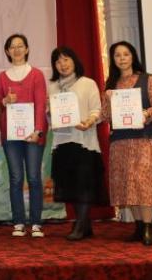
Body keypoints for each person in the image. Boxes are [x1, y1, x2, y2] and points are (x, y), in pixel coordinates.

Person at [101, 41, 152, 246]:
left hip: (143, 139)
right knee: (128, 184)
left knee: (143, 182)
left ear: (133, 56)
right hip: (120, 141)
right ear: (113, 60)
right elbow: (105, 115)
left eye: (126, 54)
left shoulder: (148, 80)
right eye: (117, 55)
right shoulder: (111, 84)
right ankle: (138, 227)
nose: (122, 58)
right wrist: (108, 99)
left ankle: (148, 227)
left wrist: (146, 113)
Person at [48, 47, 105, 241]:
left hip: (83, 140)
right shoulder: (53, 87)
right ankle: (85, 224)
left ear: (74, 61)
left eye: (66, 59)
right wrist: (50, 113)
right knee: (69, 185)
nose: (62, 64)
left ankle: (80, 225)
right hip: (62, 141)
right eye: (58, 61)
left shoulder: (87, 83)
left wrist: (89, 121)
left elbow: (97, 110)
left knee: (83, 184)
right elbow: (50, 116)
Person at [0, 33, 48, 238]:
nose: (16, 50)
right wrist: (4, 101)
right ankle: (18, 221)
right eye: (12, 47)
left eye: (20, 46)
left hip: (33, 134)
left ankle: (36, 223)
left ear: (27, 49)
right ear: (7, 51)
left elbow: (41, 104)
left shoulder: (36, 75)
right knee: (16, 178)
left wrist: (38, 130)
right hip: (11, 136)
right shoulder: (2, 77)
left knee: (33, 177)